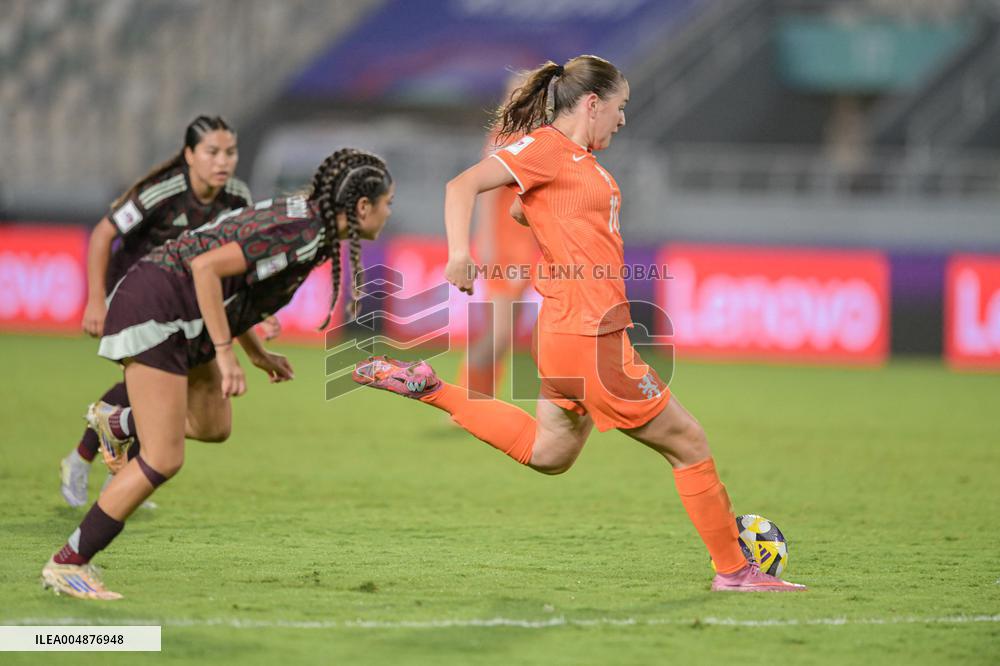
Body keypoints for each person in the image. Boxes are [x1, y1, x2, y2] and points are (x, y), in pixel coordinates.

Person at [354, 56, 805, 592]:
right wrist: (458, 253)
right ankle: (734, 571)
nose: (623, 119)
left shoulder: (575, 160)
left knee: (550, 453)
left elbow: (527, 209)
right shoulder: (546, 147)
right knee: (689, 442)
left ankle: (432, 388)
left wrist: (537, 213)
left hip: (564, 333)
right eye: (620, 107)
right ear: (592, 104)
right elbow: (462, 185)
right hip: (591, 336)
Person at [41, 148, 394, 599]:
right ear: (362, 206)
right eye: (387, 203)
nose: (389, 211)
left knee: (212, 424)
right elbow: (205, 268)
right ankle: (68, 563)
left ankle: (118, 421)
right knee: (162, 458)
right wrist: (226, 354)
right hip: (160, 307)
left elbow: (234, 287)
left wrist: (257, 353)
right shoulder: (302, 234)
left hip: (180, 309)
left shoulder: (308, 223)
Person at [59, 116, 281, 508]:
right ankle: (83, 462)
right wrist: (95, 299)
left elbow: (239, 262)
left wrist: (258, 310)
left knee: (203, 417)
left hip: (184, 307)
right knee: (157, 384)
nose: (223, 161)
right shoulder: (165, 191)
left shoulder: (237, 197)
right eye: (212, 152)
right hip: (135, 297)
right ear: (189, 155)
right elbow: (104, 233)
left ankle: (115, 463)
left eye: (230, 152)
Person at [459, 73, 539, 398]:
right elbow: (486, 193)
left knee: (506, 335)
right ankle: (466, 401)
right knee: (499, 334)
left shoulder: (530, 138)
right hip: (504, 249)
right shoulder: (505, 138)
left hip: (524, 248)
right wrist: (486, 241)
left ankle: (482, 401)